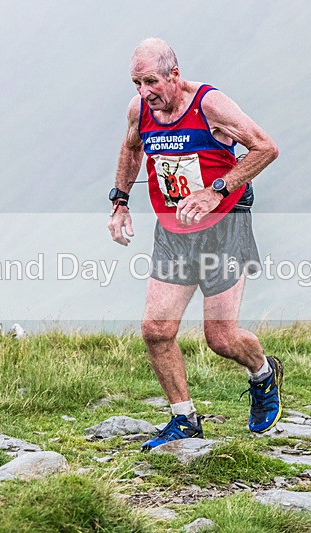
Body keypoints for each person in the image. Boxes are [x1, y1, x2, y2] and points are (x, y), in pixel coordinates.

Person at [107, 38, 280, 450]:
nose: (145, 92)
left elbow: (265, 148)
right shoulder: (140, 111)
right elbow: (131, 149)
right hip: (174, 232)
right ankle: (184, 419)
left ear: (174, 75)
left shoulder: (209, 105)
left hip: (224, 227)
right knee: (156, 330)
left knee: (221, 339)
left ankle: (262, 373)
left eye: (151, 81)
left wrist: (215, 191)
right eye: (136, 83)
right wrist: (120, 202)